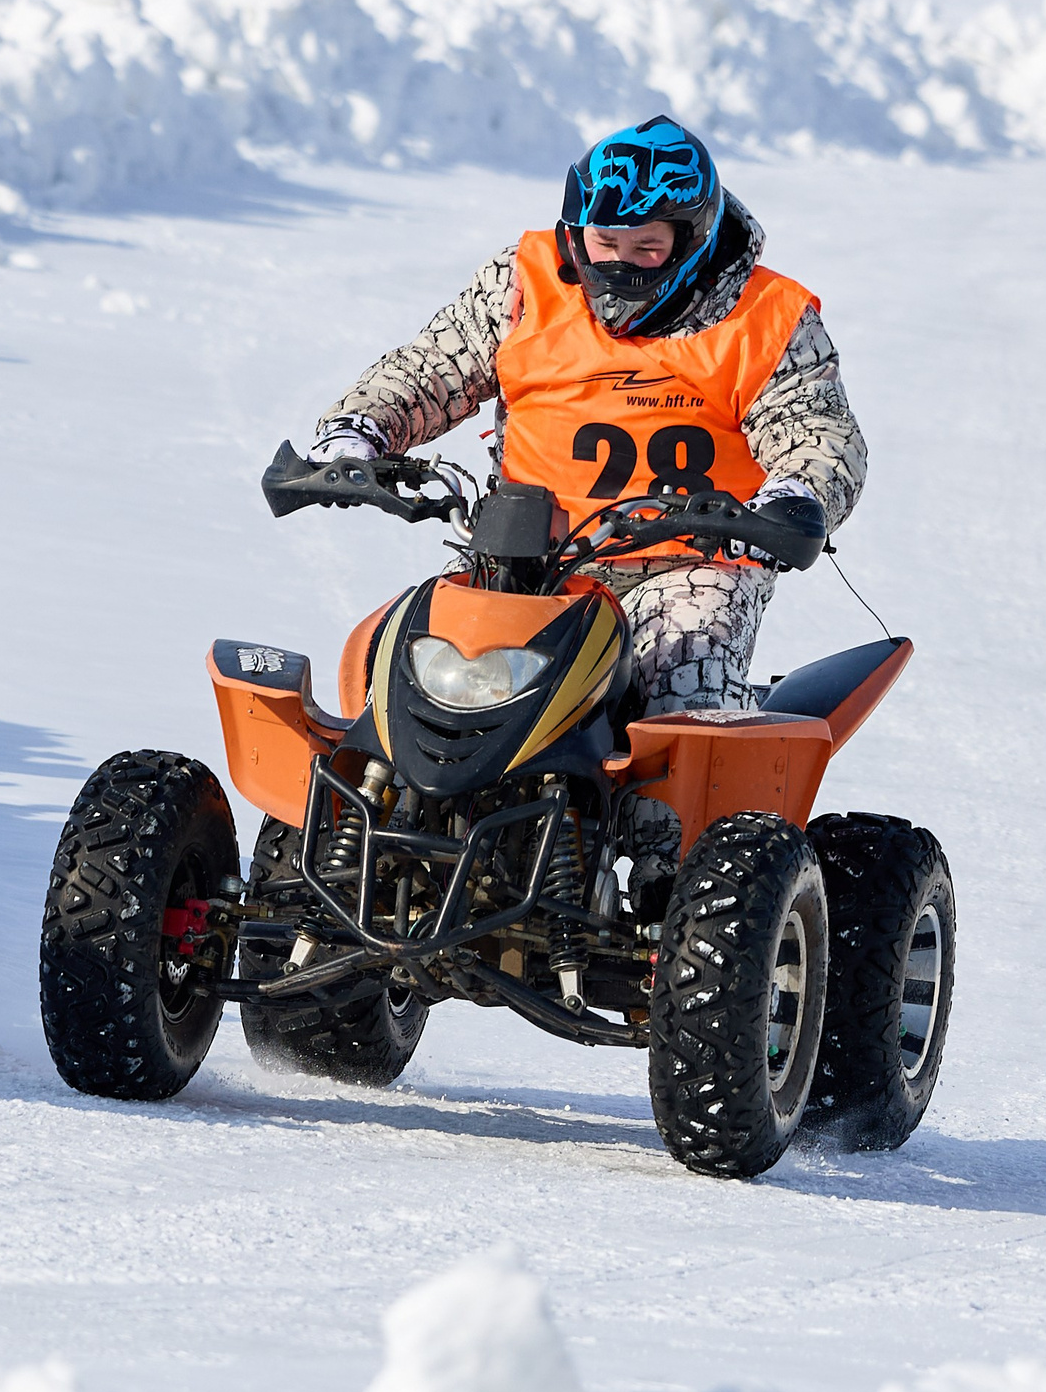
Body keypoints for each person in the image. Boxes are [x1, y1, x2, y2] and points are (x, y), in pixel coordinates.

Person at [309, 114, 867, 883]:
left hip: (694, 558)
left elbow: (814, 426)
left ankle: (672, 888)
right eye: (608, 244)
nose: (625, 266)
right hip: (533, 553)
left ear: (693, 239)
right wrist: (359, 430)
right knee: (405, 658)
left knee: (682, 670)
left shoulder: (764, 315)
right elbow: (436, 364)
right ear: (579, 230)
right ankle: (366, 840)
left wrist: (799, 492)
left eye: (650, 249)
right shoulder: (525, 282)